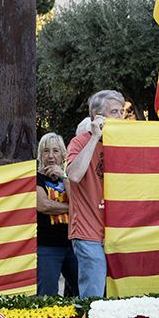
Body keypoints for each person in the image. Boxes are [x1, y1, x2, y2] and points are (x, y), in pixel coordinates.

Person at [66, 90, 125, 299]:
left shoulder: (123, 143)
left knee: (120, 295)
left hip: (117, 233)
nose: (120, 117)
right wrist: (95, 138)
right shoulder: (80, 141)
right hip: (88, 232)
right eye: (114, 112)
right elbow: (73, 175)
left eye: (121, 112)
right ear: (96, 116)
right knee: (94, 296)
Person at [35, 133, 78, 297]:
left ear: (63, 155)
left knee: (82, 292)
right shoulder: (36, 178)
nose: (51, 156)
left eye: (55, 151)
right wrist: (70, 207)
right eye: (46, 151)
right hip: (47, 246)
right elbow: (43, 205)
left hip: (73, 245)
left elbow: (79, 201)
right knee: (47, 296)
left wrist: (64, 176)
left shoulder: (69, 177)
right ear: (41, 155)